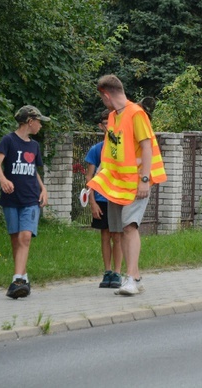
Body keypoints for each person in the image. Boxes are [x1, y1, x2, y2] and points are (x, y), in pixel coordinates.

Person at [87, 75, 167, 296]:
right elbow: (115, 152)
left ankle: (130, 278)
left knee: (130, 227)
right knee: (121, 230)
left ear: (106, 94)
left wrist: (144, 180)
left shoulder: (136, 113)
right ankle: (136, 277)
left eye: (102, 99)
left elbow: (147, 147)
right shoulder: (113, 116)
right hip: (117, 183)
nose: (104, 103)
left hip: (135, 183)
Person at [0, 105, 50, 299]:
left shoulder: (34, 146)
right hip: (11, 199)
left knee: (25, 237)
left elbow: (33, 170)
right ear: (30, 121)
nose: (41, 125)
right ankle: (23, 277)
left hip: (30, 199)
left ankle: (17, 280)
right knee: (15, 239)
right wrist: (3, 179)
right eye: (39, 122)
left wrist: (43, 189)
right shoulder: (8, 140)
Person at [85, 110, 123, 289]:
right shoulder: (96, 149)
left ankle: (117, 272)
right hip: (100, 198)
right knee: (105, 235)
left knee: (117, 235)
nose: (109, 125)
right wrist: (92, 201)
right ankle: (107, 271)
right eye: (106, 122)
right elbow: (90, 178)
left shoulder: (122, 147)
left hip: (116, 197)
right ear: (101, 126)